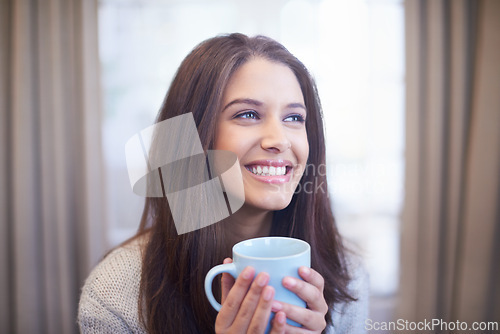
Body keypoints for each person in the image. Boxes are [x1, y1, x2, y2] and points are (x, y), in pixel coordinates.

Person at [78, 33, 369, 333]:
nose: (279, 140)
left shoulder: (347, 275)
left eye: (294, 118)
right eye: (248, 114)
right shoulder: (114, 295)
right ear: (194, 139)